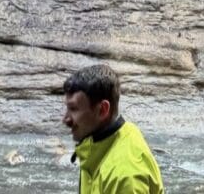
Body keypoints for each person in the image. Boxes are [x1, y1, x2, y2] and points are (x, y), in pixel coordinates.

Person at [62, 64, 165, 194]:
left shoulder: (125, 176)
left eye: (74, 109)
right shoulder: (95, 145)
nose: (66, 119)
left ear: (103, 110)